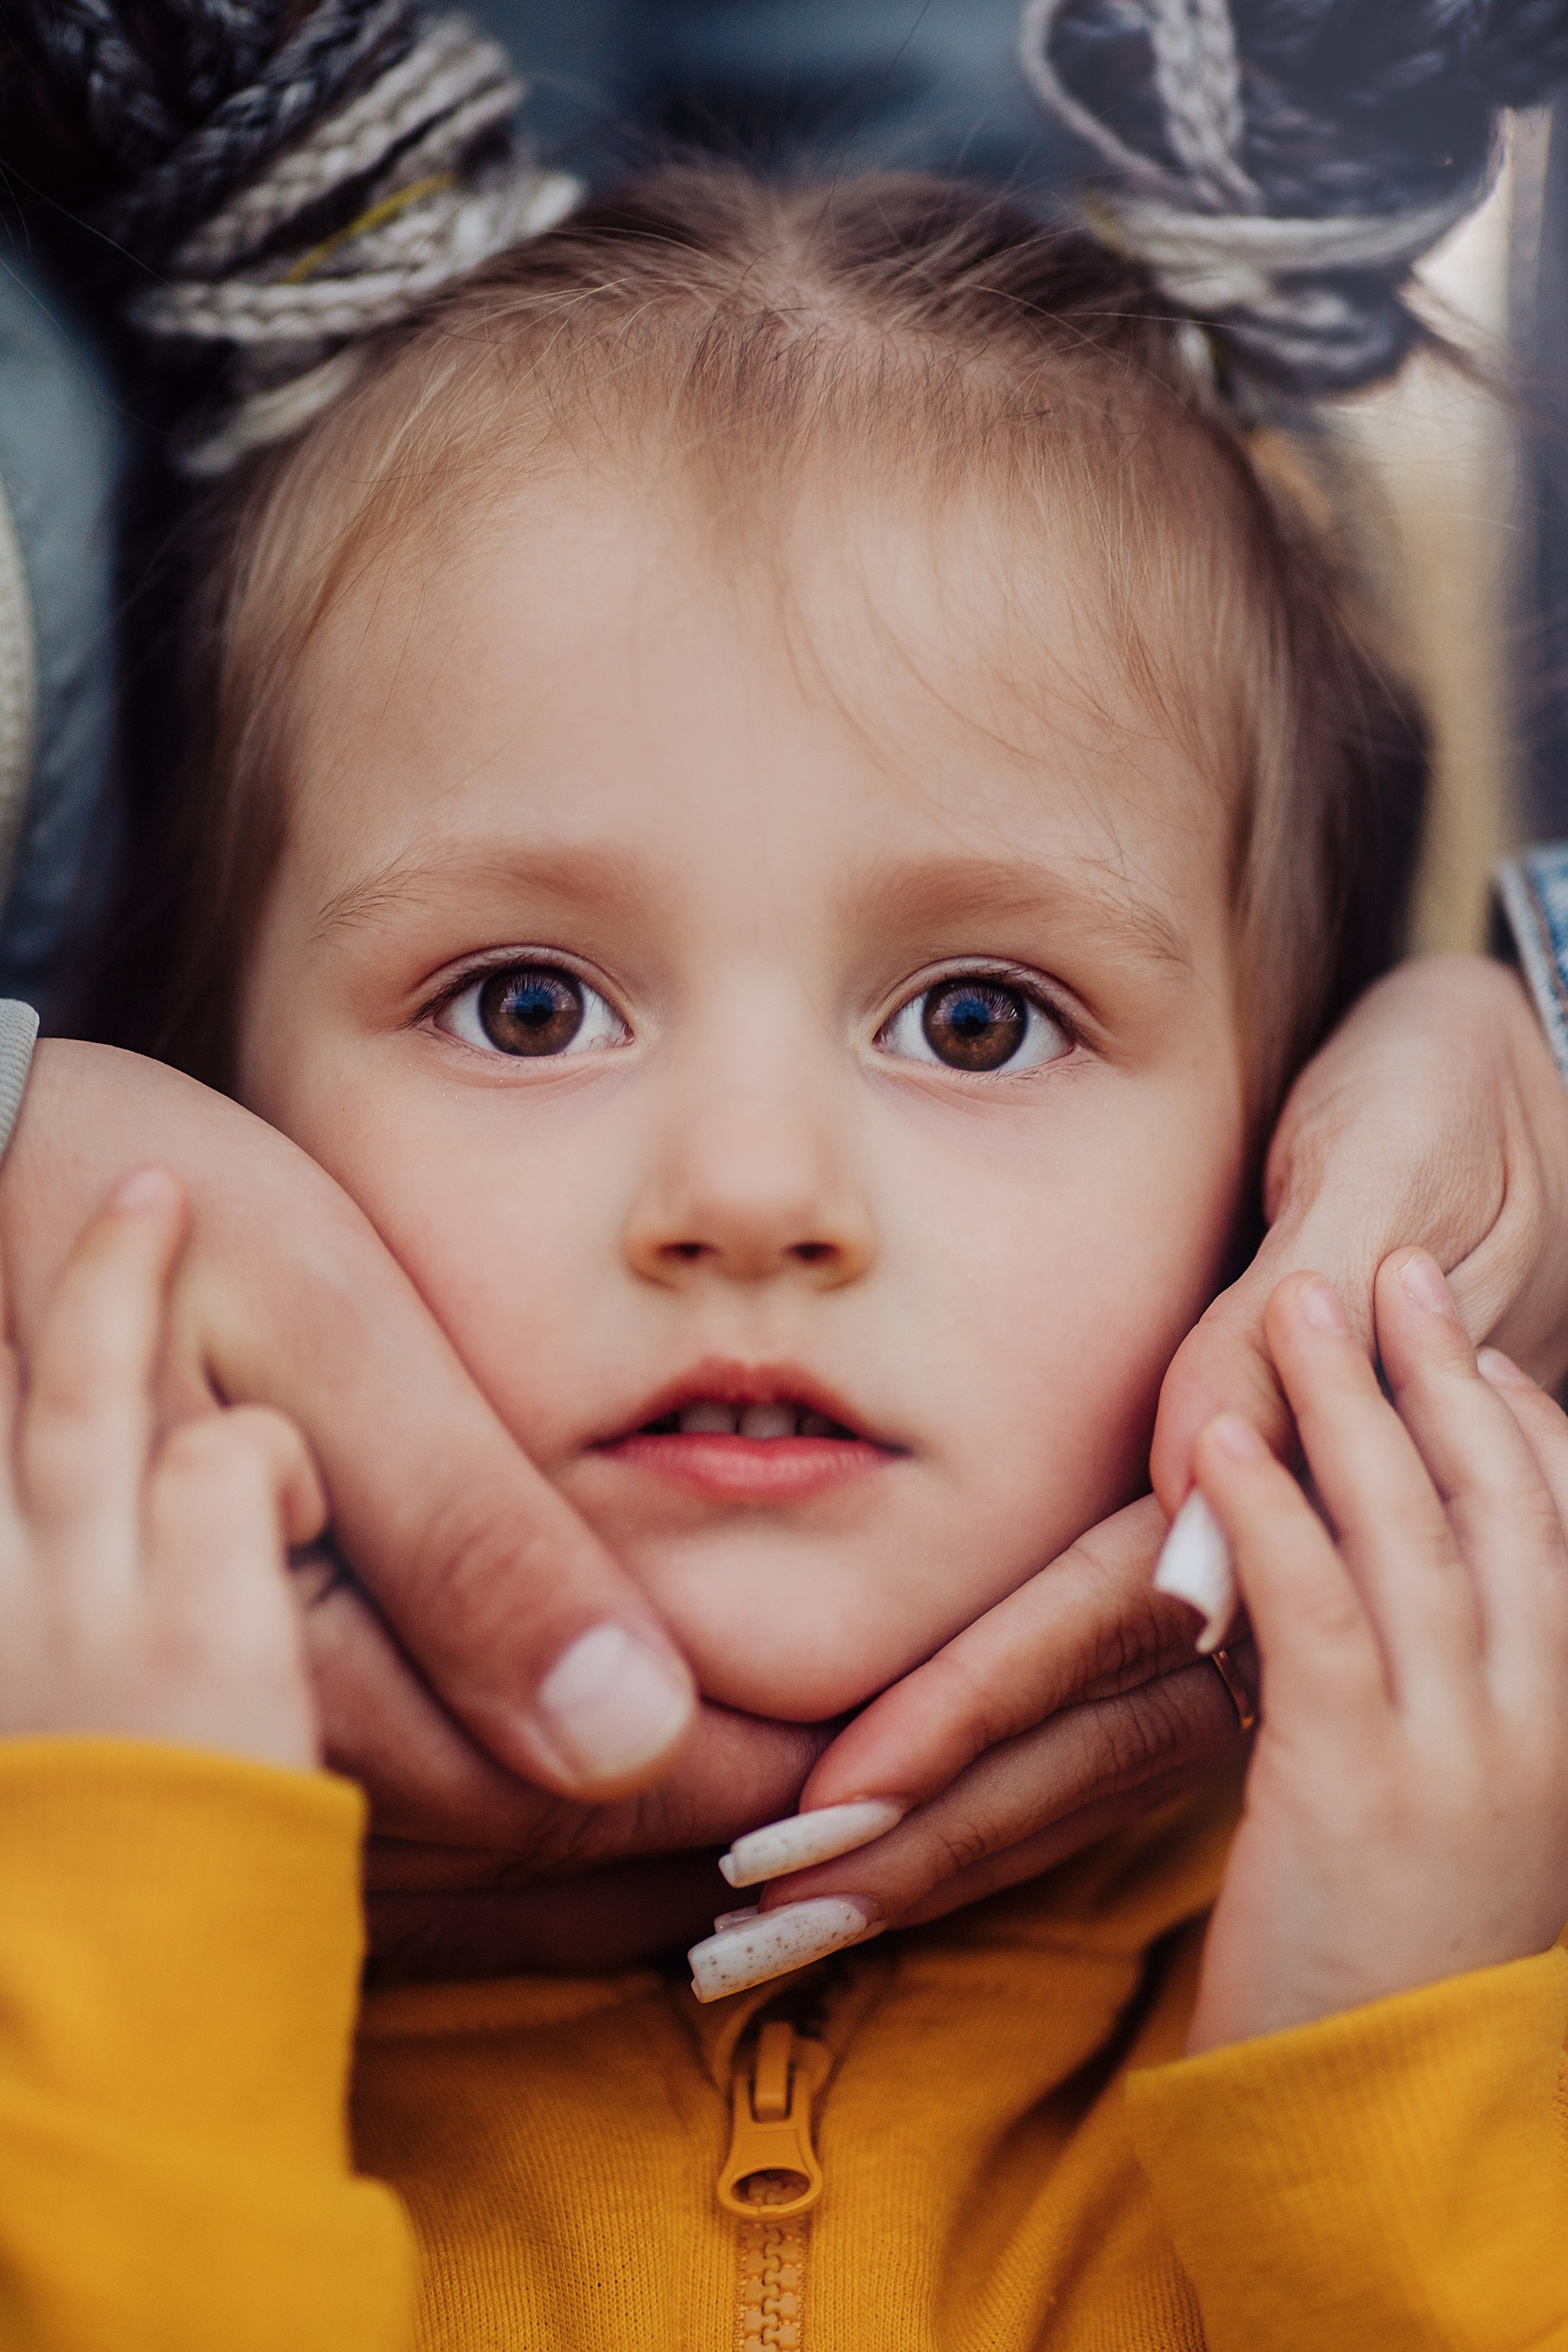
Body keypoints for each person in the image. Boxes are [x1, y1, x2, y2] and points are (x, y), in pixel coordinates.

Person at [0, 140, 1565, 2346]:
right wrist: (128, 1983)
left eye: (976, 1019)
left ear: (1272, 1162)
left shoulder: (1463, 1951)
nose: (747, 1195)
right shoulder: (52, 1933)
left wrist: (1404, 2092)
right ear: (214, 1091)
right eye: (527, 1006)